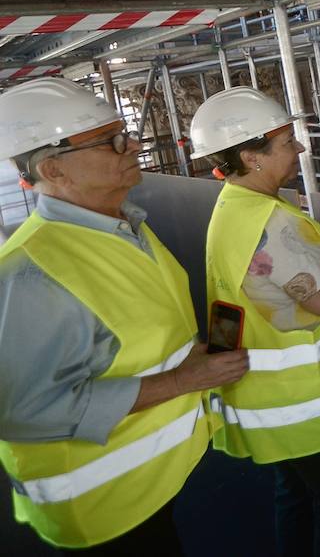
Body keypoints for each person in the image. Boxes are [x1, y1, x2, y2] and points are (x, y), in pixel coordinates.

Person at [0, 77, 248, 553]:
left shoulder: (123, 226)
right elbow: (23, 411)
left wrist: (192, 357)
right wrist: (180, 382)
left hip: (149, 481)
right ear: (55, 168)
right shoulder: (31, 273)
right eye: (113, 141)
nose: (133, 145)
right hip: (100, 508)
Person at [188, 87, 320, 557]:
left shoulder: (231, 209)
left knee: (296, 494)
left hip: (271, 400)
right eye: (286, 142)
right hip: (308, 406)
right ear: (250, 156)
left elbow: (226, 304)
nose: (300, 148)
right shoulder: (267, 221)